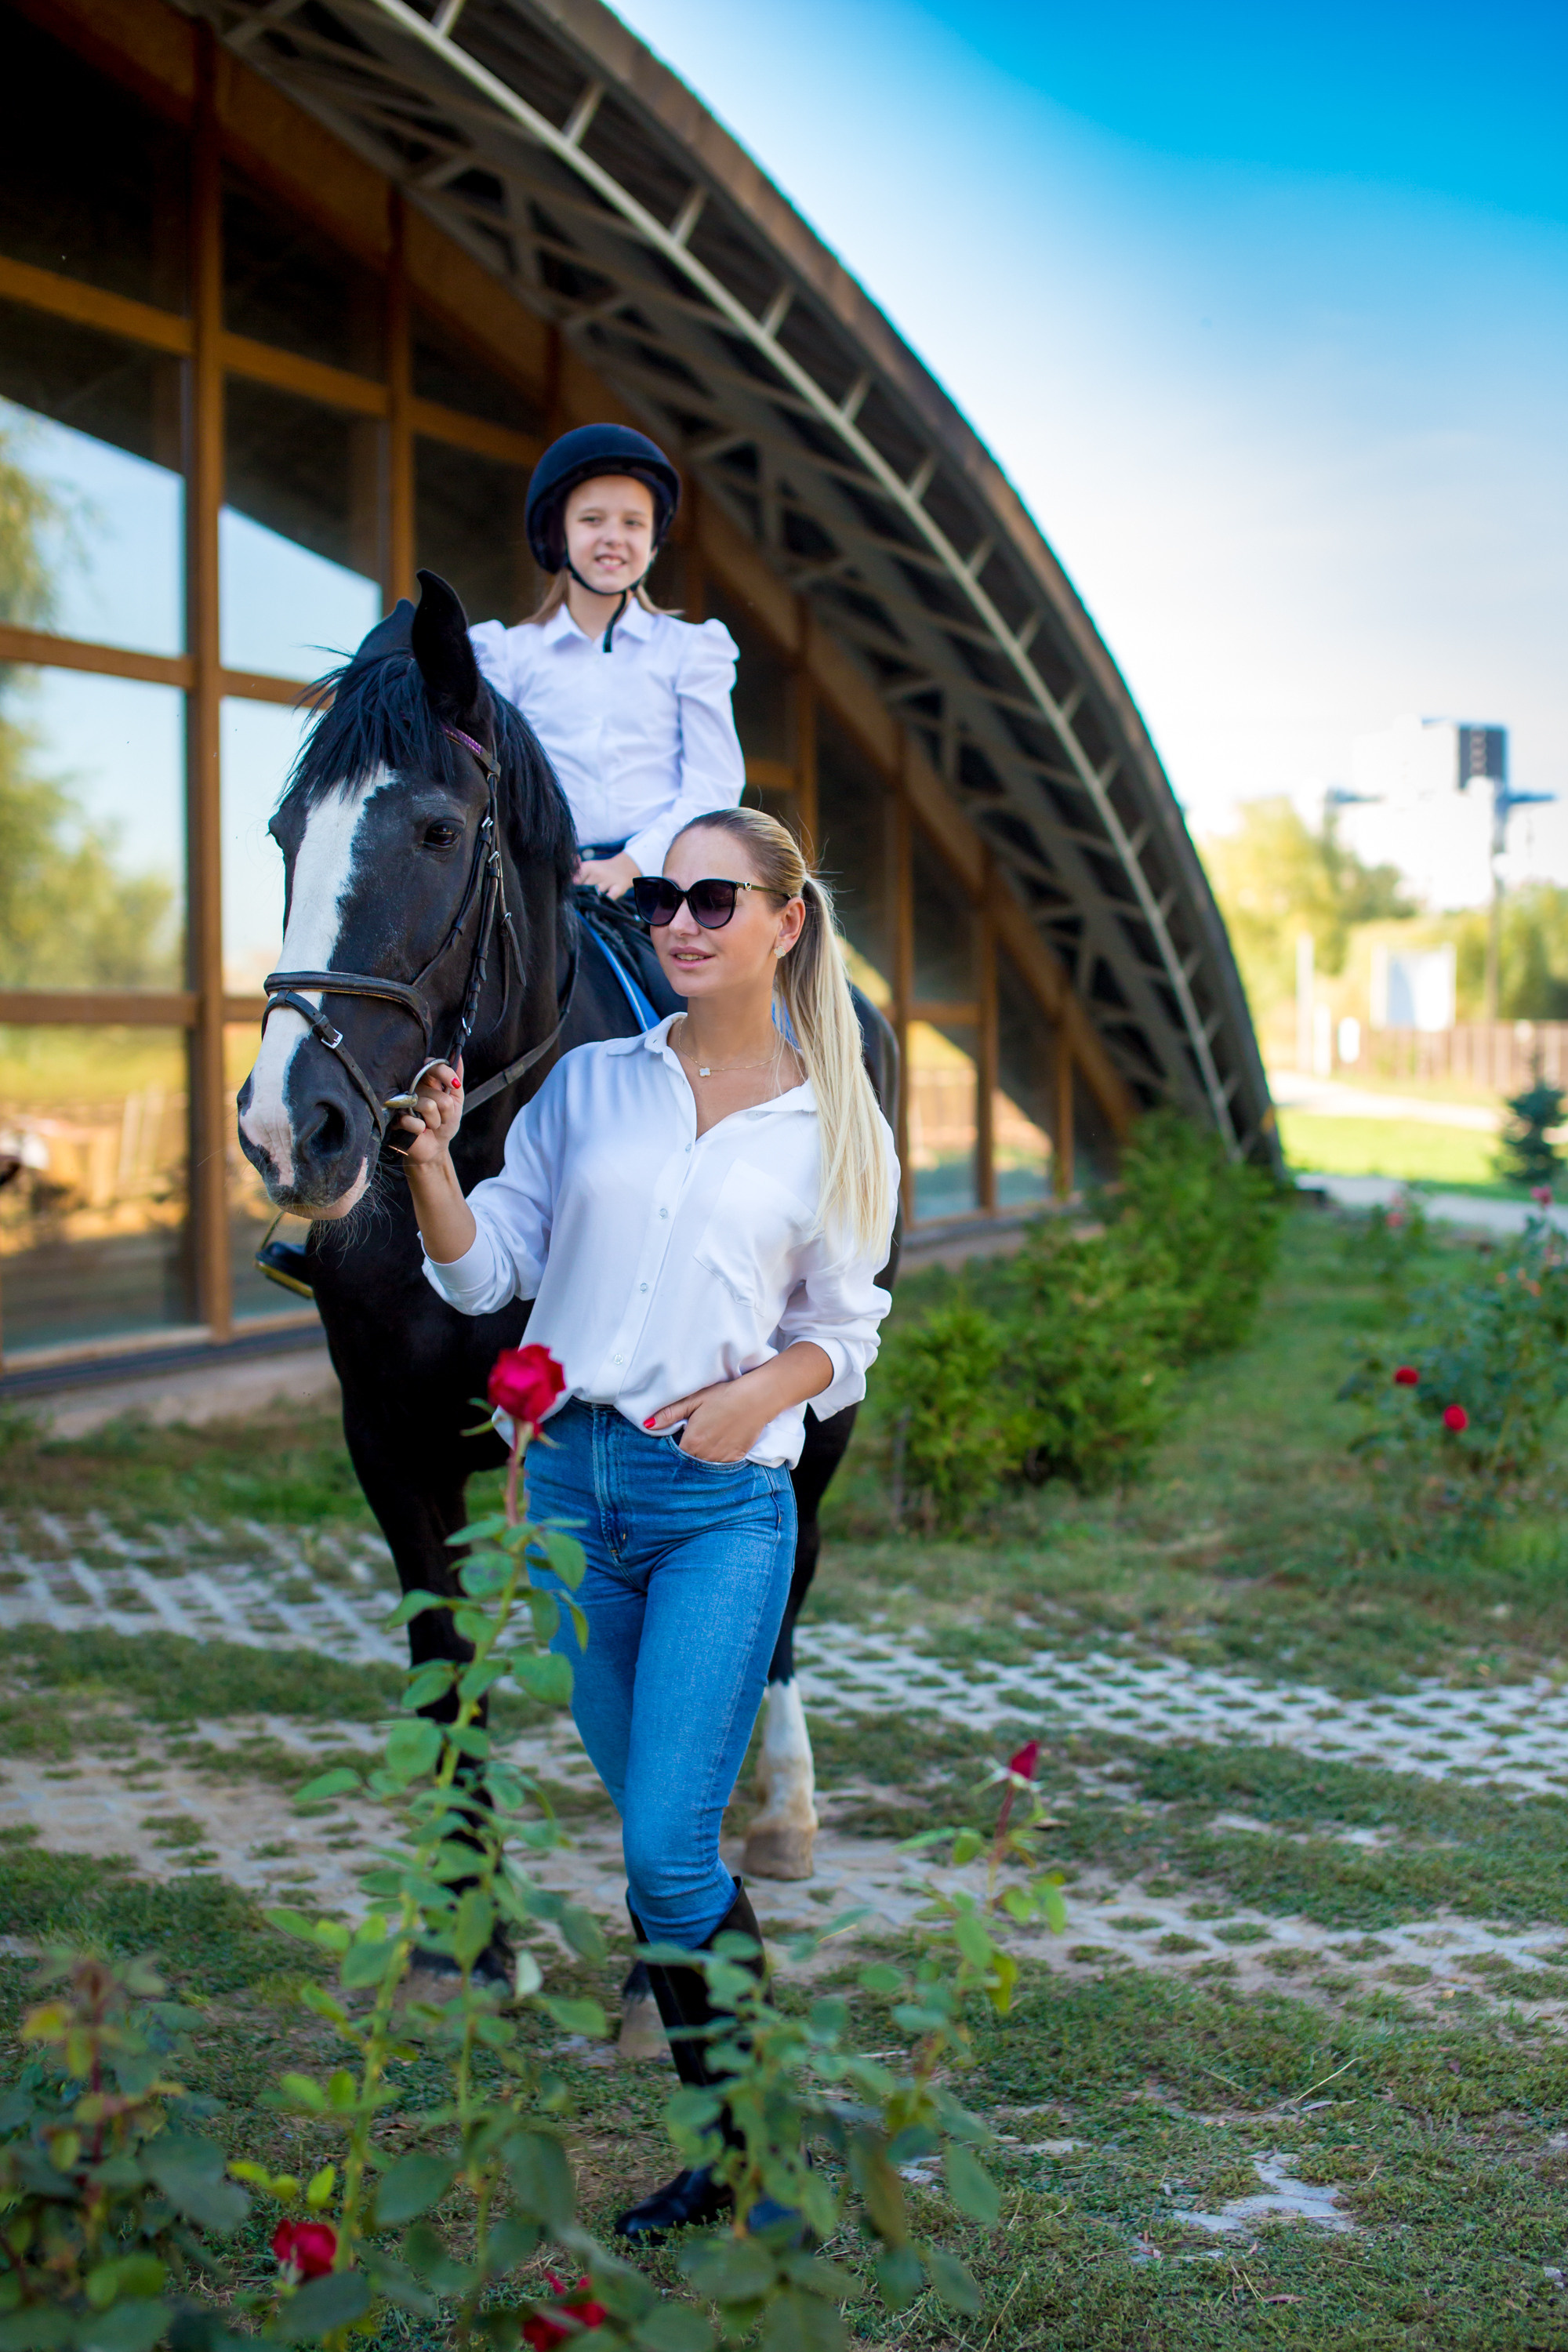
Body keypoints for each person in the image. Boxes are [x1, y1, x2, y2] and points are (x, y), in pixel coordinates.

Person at [397, 805, 897, 2241]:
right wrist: (433, 1165)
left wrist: (764, 1399)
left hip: (715, 1511)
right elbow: (488, 1275)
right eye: (668, 896)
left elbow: (847, 1330)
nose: (681, 919)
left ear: (785, 924)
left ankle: (746, 2156)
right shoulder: (589, 1088)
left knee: (667, 1853)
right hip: (568, 1498)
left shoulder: (834, 1119)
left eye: (715, 899)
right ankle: (747, 2144)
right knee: (665, 1841)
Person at [469, 423, 744, 901]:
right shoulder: (509, 655)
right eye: (592, 520)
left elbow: (714, 785)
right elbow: (492, 778)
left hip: (662, 884)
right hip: (543, 885)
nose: (614, 537)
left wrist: (633, 863)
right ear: (559, 536)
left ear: (654, 543)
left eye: (633, 523)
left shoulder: (690, 649)